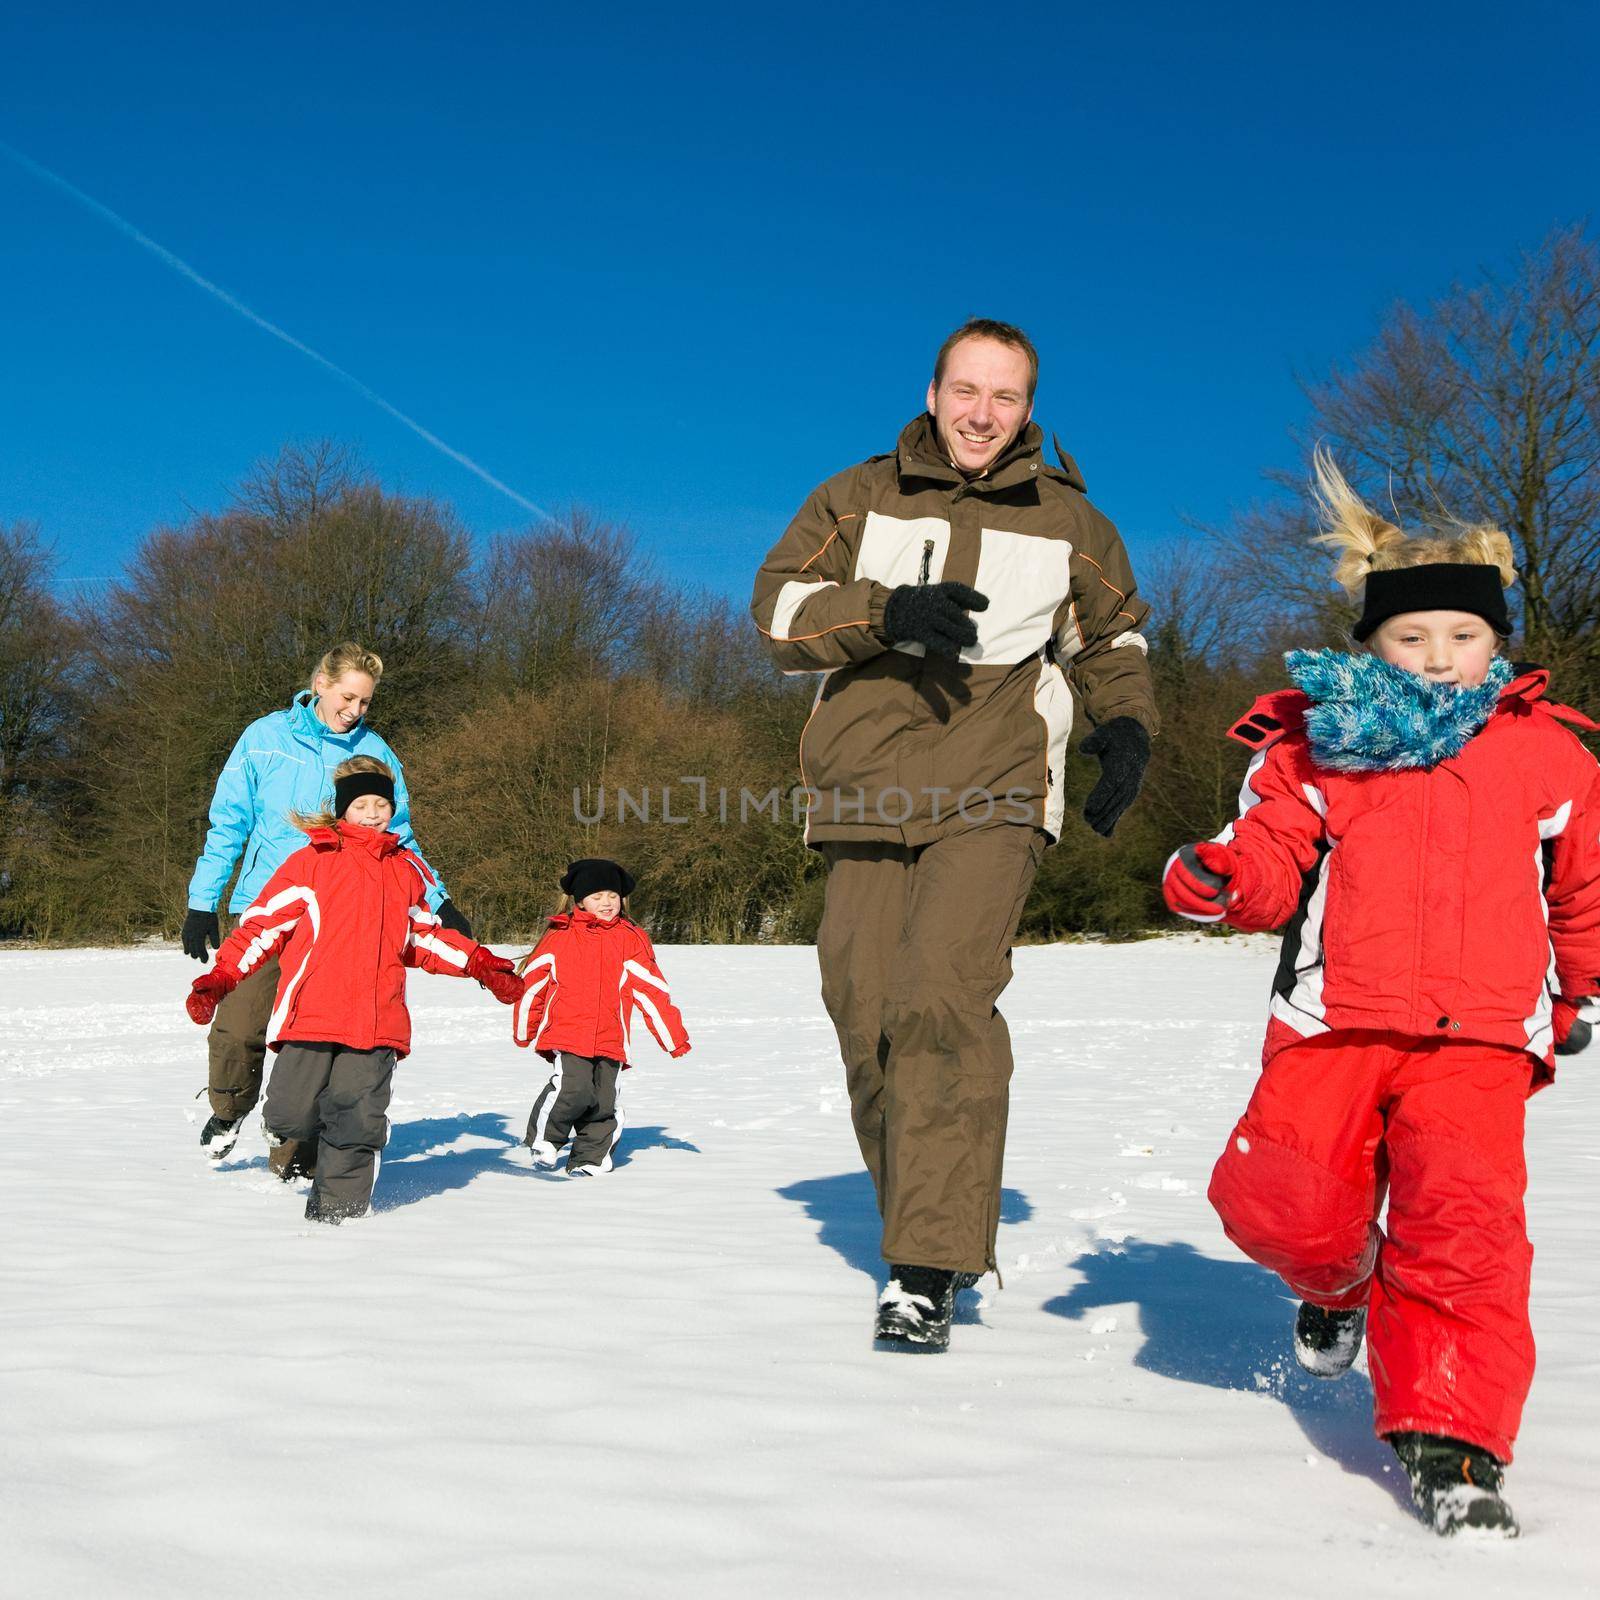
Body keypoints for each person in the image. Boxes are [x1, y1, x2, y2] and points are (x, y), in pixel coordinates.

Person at [1162, 448, 1600, 1538]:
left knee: (1463, 1233)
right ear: (1371, 642)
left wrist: (1582, 989)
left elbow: (1582, 886)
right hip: (1334, 1021)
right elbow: (1266, 850)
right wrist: (1221, 882)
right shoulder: (1314, 747)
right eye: (1411, 637)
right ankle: (1337, 1276)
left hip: (1481, 1038)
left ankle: (1452, 1444)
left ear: (1498, 640)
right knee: (1281, 1202)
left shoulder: (1548, 756)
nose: (1438, 658)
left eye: (1463, 635)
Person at [750, 318, 1158, 1350]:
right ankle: (922, 1218)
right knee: (864, 1008)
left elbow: (1110, 637)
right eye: (965, 391)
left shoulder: (1073, 520)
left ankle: (927, 1263)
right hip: (865, 787)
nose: (982, 414)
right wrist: (887, 611)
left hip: (996, 785)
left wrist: (1126, 727)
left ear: (1028, 409)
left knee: (942, 997)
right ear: (932, 393)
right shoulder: (856, 495)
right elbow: (777, 612)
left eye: (1005, 396)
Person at [185, 757, 521, 1222]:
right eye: (361, 804)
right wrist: (220, 978)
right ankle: (281, 1132)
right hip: (312, 1016)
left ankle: (338, 1215)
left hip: (376, 1020)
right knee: (291, 1114)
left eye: (381, 804)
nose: (372, 812)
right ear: (343, 810)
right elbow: (263, 926)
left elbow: (424, 936)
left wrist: (480, 964)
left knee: (358, 1119)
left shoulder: (406, 871)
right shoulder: (312, 862)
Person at [182, 642, 472, 1159]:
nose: (355, 711)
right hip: (266, 908)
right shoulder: (264, 738)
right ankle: (228, 1110)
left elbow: (398, 834)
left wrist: (439, 900)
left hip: (341, 921)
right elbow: (229, 823)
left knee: (314, 1041)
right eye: (347, 697)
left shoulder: (376, 752)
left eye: (365, 702)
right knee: (237, 1027)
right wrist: (203, 900)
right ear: (320, 683)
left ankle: (293, 1156)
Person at [512, 858, 690, 1177]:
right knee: (574, 1088)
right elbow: (534, 984)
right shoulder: (561, 934)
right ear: (579, 900)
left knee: (603, 1102)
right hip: (568, 1033)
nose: (607, 902)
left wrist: (673, 1037)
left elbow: (651, 990)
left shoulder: (631, 938)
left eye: (612, 895)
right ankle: (545, 1140)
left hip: (612, 1037)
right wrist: (526, 1027)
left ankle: (589, 1159)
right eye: (597, 897)